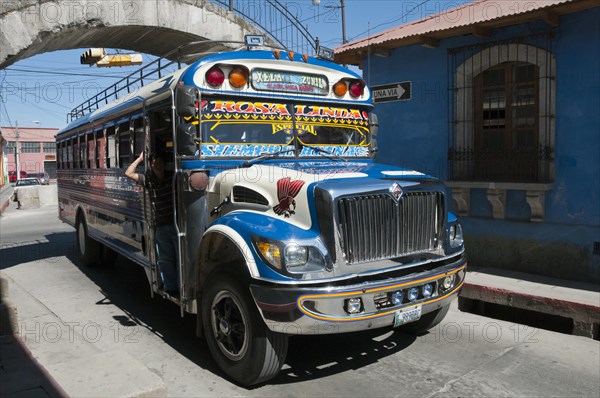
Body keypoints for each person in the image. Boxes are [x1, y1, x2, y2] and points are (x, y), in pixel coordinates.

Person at [125, 152, 179, 296]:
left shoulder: (173, 176)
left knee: (179, 258)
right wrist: (140, 159)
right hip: (160, 224)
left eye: (160, 162)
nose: (158, 165)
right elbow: (128, 173)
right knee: (165, 259)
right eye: (154, 163)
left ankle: (181, 287)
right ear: (150, 165)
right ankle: (171, 287)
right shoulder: (147, 179)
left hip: (177, 224)